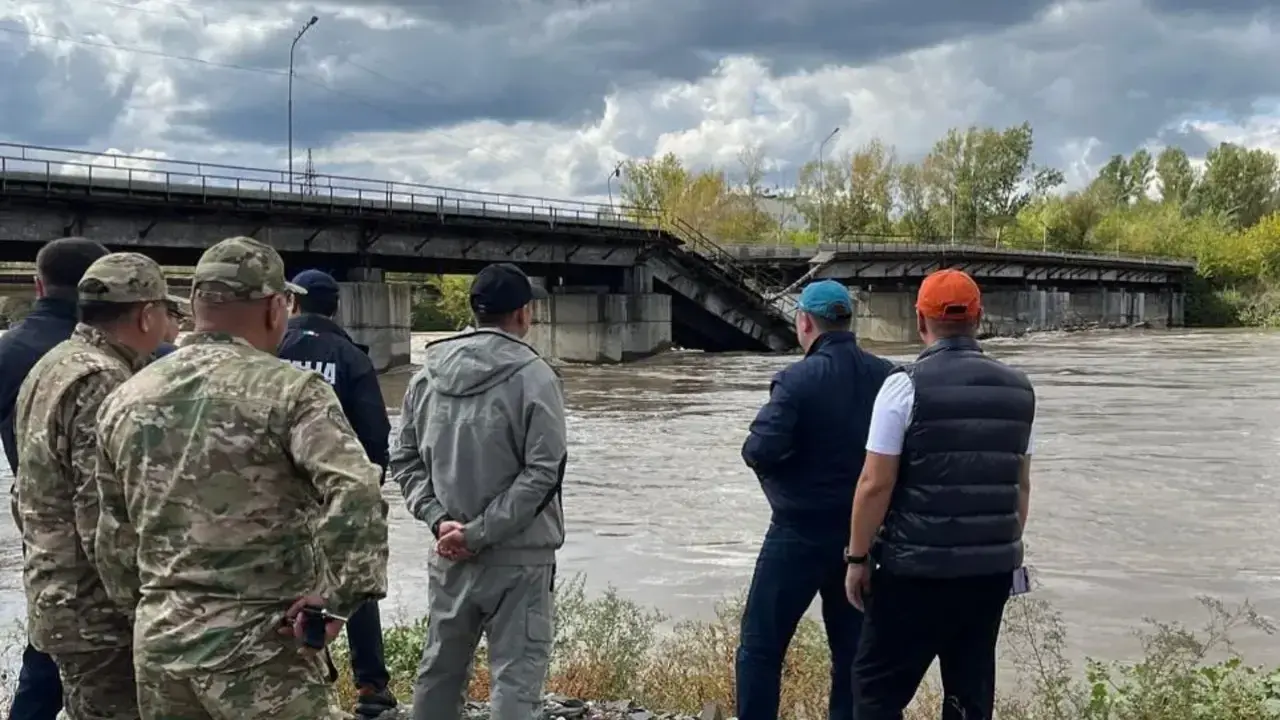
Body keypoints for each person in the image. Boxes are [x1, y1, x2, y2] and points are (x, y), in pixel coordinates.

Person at [93, 236, 390, 720]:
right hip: (263, 650)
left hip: (162, 646)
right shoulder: (292, 391)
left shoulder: (126, 396)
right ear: (277, 308)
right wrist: (336, 601)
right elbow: (357, 493)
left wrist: (152, 606)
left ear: (193, 304)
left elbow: (109, 533)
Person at [845, 269, 1035, 720]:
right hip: (988, 575)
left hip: (914, 572)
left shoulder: (903, 385)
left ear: (920, 320)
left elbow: (875, 483)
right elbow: (1020, 486)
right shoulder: (1020, 390)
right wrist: (994, 549)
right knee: (969, 693)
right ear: (979, 318)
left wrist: (856, 559)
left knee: (876, 691)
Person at [390, 262, 566, 720]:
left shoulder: (425, 376)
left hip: (449, 553)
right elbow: (544, 473)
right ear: (524, 314)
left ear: (474, 310)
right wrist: (480, 532)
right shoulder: (536, 376)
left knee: (439, 671)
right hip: (520, 557)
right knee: (516, 680)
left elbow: (403, 460)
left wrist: (438, 521)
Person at [14, 252, 179, 719]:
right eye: (166, 311)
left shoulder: (55, 363)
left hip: (58, 591)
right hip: (96, 611)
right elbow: (102, 515)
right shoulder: (103, 379)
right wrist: (142, 607)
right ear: (147, 314)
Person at [737, 279, 894, 720]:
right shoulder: (888, 377)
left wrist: (784, 488)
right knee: (851, 654)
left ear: (804, 321)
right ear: (850, 322)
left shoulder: (796, 379)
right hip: (861, 541)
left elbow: (757, 450)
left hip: (798, 533)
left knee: (761, 647)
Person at [276, 268, 396, 717]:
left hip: (270, 501)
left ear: (291, 304)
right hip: (334, 492)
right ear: (336, 307)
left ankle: (286, 678)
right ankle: (370, 688)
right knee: (353, 584)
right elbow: (375, 439)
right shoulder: (349, 356)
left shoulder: (268, 350)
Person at [0, 236, 109, 720]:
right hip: (123, 531)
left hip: (41, 526)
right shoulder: (136, 352)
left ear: (38, 284)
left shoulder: (10, 352)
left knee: (46, 648)